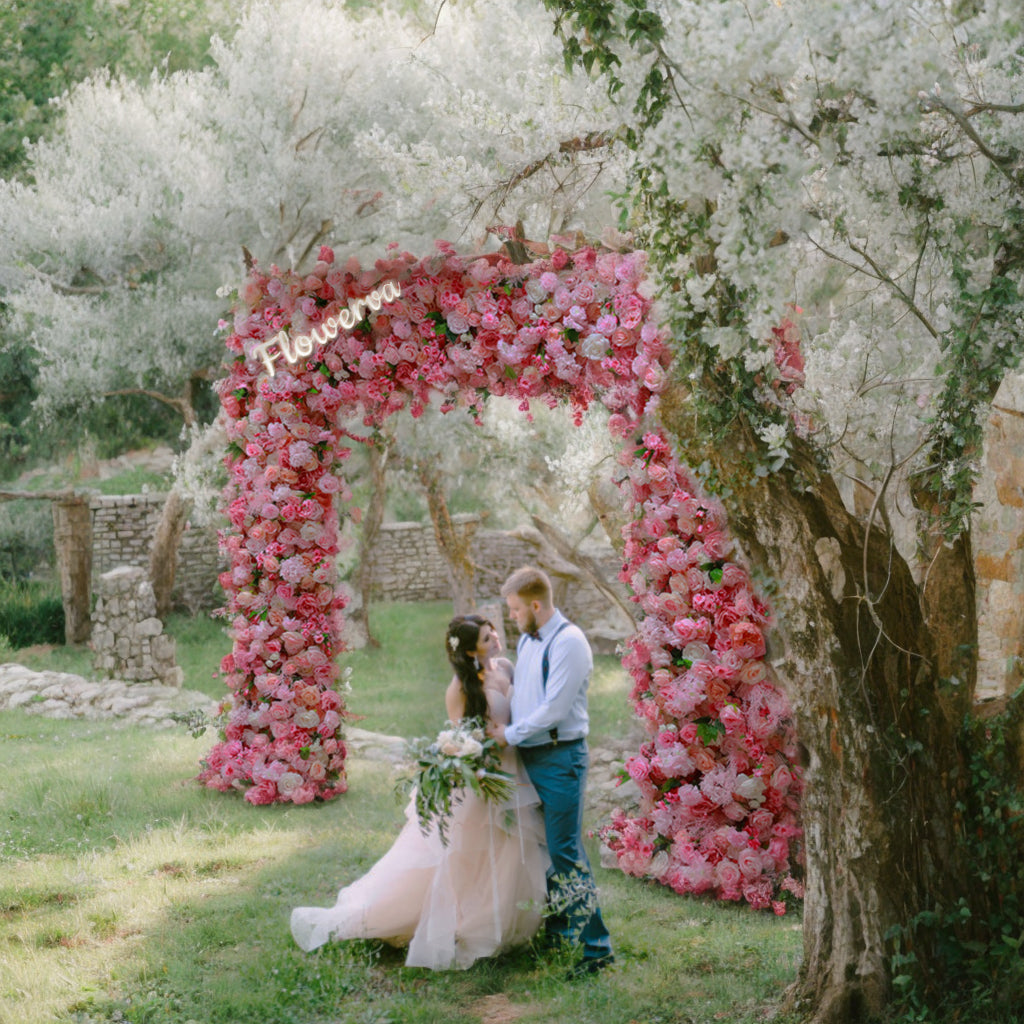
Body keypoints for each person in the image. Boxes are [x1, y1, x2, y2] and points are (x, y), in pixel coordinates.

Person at [290, 614, 548, 969]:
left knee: (507, 850)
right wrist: (482, 747)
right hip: (481, 775)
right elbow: (461, 738)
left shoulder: (505, 666)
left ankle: (501, 920)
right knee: (464, 854)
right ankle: (445, 920)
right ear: (471, 649)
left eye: (494, 634)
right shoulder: (460, 688)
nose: (497, 641)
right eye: (488, 638)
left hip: (514, 769)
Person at [489, 566, 615, 977]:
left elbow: (555, 710)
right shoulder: (528, 640)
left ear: (536, 605)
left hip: (561, 758)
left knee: (564, 850)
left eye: (514, 609)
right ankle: (559, 931)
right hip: (532, 756)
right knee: (544, 849)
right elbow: (527, 696)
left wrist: (508, 734)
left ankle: (597, 949)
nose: (511, 617)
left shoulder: (570, 642)